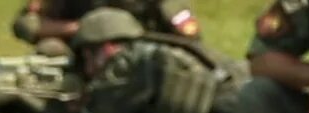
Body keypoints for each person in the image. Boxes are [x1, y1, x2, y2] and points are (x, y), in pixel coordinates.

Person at [71, 9, 244, 113]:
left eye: (88, 56)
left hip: (244, 104)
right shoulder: (151, 52)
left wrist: (78, 104)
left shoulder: (131, 63)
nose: (88, 67)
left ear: (107, 48)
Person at [14, 0, 201, 59]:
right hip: (84, 56)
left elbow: (188, 31)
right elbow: (26, 25)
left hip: (142, 56)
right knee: (50, 49)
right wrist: (83, 28)